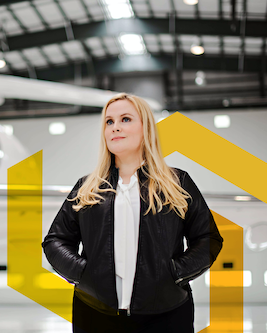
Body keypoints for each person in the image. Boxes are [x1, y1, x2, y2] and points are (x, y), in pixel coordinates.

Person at [42, 93, 223, 333]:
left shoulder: (178, 182)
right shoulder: (87, 187)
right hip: (95, 314)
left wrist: (176, 273)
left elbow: (208, 238)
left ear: (145, 128)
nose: (115, 127)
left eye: (125, 119)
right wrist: (84, 274)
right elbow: (56, 240)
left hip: (166, 315)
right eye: (109, 122)